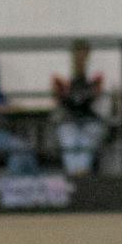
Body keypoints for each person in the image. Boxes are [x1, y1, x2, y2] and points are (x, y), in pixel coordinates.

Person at [50, 42, 106, 174]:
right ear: (72, 56)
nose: (80, 58)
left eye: (84, 54)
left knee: (86, 140)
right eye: (78, 54)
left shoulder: (96, 76)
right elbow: (59, 100)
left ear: (88, 56)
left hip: (91, 120)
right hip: (68, 119)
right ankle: (77, 175)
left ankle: (79, 174)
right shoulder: (62, 76)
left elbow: (98, 102)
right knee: (69, 139)